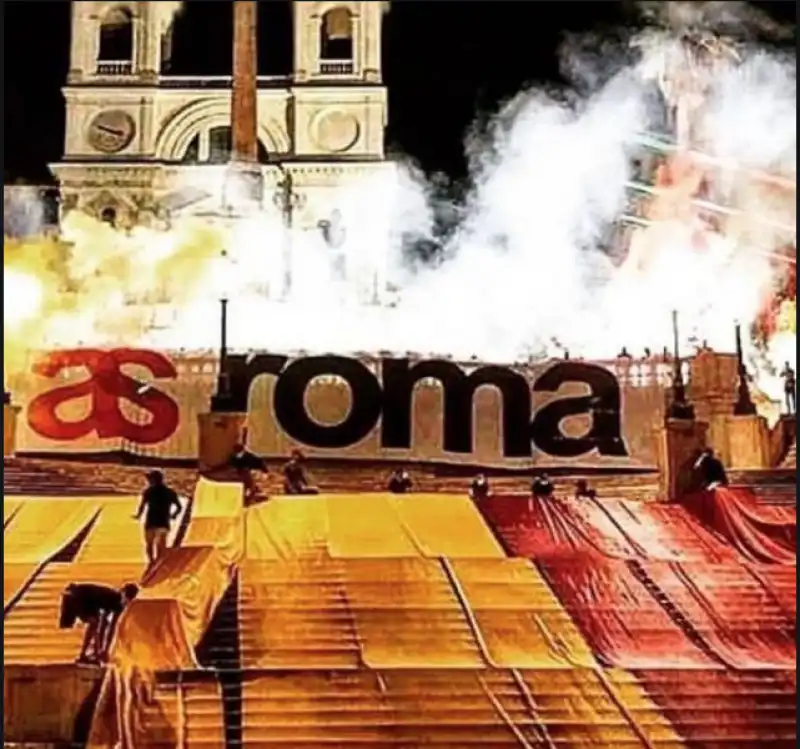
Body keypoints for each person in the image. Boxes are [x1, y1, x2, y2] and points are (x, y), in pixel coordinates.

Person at [60, 582, 139, 665]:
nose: (126, 602)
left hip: (86, 601)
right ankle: (88, 654)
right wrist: (101, 650)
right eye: (126, 597)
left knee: (95, 622)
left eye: (129, 600)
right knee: (94, 623)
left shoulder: (119, 604)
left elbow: (111, 626)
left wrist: (105, 650)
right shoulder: (113, 597)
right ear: (123, 592)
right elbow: (104, 625)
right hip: (77, 596)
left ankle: (90, 654)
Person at [133, 470, 182, 566]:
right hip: (164, 521)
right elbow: (179, 507)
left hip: (151, 521)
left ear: (153, 480)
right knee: (161, 545)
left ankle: (152, 562)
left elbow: (142, 506)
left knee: (149, 544)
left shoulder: (148, 492)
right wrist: (174, 515)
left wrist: (138, 515)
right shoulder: (169, 492)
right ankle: (159, 563)